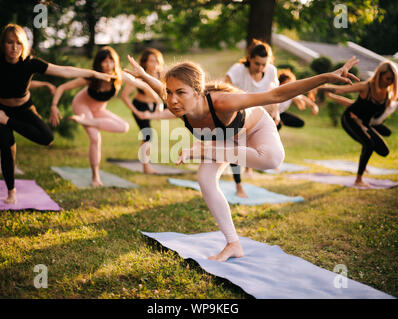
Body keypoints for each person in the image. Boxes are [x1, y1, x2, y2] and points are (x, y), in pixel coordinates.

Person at [125, 54, 360, 262]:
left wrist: (325, 78)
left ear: (197, 92)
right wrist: (144, 75)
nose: (173, 99)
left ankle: (204, 149)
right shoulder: (176, 102)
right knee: (205, 179)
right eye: (170, 92)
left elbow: (276, 94)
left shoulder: (222, 102)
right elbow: (161, 87)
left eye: (180, 92)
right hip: (225, 140)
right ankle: (233, 244)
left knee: (272, 161)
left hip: (255, 128)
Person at [0, 24, 117, 204]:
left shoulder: (30, 63)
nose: (14, 47)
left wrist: (95, 74)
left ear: (24, 45)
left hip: (24, 109)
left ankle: (5, 120)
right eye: (9, 43)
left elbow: (65, 71)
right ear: (3, 44)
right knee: (7, 147)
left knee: (47, 137)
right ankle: (11, 191)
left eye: (19, 43)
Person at [50, 46, 162, 186]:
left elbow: (144, 86)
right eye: (104, 61)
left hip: (98, 111)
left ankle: (88, 121)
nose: (108, 65)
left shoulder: (119, 76)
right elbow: (62, 87)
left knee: (124, 127)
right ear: (99, 63)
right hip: (82, 105)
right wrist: (54, 106)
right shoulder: (91, 77)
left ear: (115, 62)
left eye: (111, 61)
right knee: (95, 138)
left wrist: (158, 101)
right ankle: (96, 177)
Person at [318, 61, 398, 187]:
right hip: (350, 118)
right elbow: (341, 90)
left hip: (365, 123)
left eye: (392, 80)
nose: (390, 82)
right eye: (387, 78)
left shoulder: (389, 92)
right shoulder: (367, 87)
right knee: (369, 144)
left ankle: (363, 160)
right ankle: (358, 180)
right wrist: (317, 86)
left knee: (383, 151)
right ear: (379, 75)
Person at [224, 39, 280, 197]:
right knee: (236, 149)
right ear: (249, 58)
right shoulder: (238, 69)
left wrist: (276, 112)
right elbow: (224, 87)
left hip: (259, 117)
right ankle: (239, 186)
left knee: (274, 130)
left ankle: (249, 166)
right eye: (257, 63)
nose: (260, 68)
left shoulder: (271, 71)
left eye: (264, 64)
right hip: (239, 115)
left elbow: (274, 92)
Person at [0, 76, 56, 171]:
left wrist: (45, 84)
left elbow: (27, 84)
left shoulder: (5, 82)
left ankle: (11, 164)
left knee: (6, 137)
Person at [120, 48, 173, 174]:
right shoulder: (138, 77)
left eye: (157, 61)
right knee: (148, 136)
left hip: (156, 105)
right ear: (145, 63)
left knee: (181, 112)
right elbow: (124, 96)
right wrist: (136, 112)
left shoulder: (162, 75)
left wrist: (160, 107)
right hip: (140, 106)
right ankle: (146, 167)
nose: (155, 64)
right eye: (151, 61)